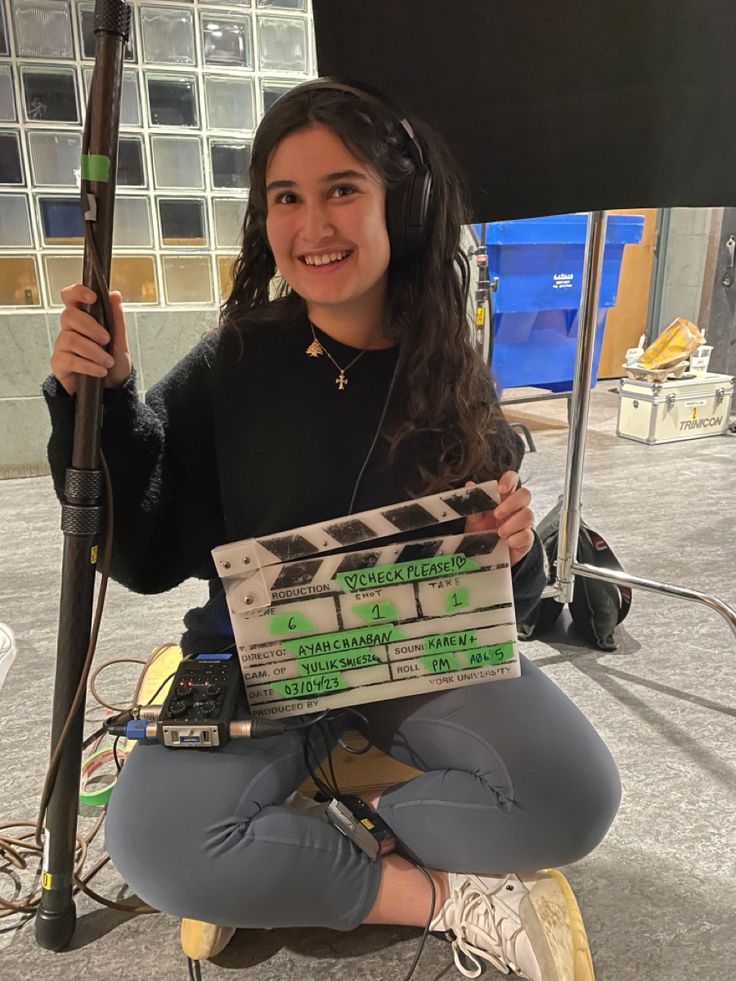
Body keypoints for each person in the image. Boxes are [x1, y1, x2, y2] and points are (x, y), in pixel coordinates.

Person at [43, 78, 620, 980]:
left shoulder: (450, 369)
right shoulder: (235, 359)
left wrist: (517, 547)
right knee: (158, 846)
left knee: (573, 798)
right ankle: (440, 893)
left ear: (402, 201)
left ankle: (309, 837)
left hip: (415, 660)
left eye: (342, 189)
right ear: (265, 219)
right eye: (286, 198)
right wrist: (106, 402)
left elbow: (501, 605)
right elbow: (149, 553)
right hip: (255, 663)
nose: (313, 226)